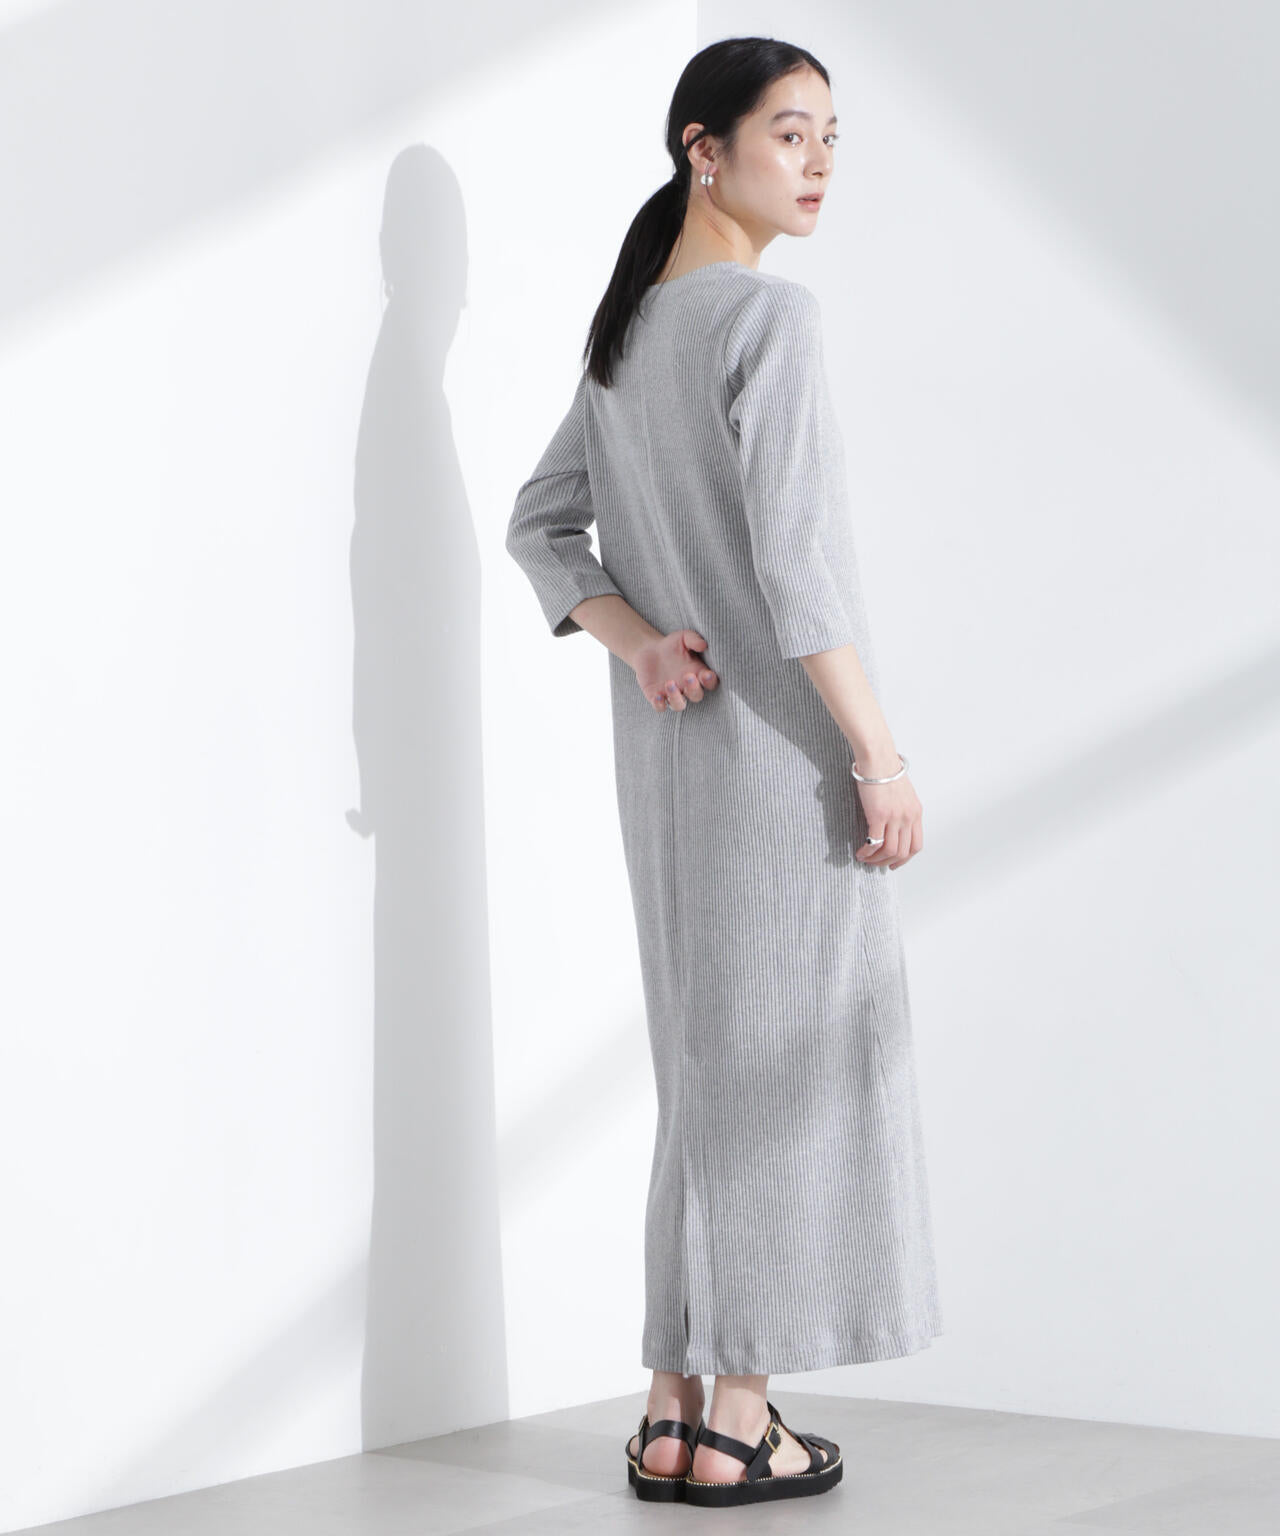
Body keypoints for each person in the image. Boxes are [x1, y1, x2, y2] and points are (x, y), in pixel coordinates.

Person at [505, 35, 943, 1509]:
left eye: (833, 138)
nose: (819, 163)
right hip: (779, 770)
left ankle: (671, 1412)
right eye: (791, 132)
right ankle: (743, 1415)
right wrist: (878, 757)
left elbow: (540, 524)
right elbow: (801, 577)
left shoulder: (630, 332)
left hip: (671, 781)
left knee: (707, 1078)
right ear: (704, 149)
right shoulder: (767, 319)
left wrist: (638, 643)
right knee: (785, 1083)